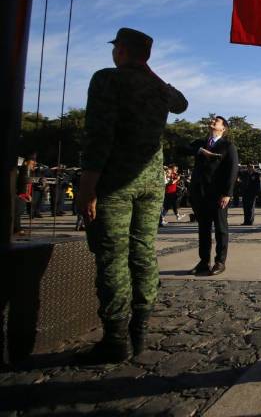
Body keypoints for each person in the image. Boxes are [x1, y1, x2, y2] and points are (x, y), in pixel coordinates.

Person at [75, 27, 188, 364]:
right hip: (150, 182)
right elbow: (181, 103)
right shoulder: (159, 88)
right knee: (141, 253)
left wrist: (87, 186)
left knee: (112, 257)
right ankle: (139, 329)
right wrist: (149, 72)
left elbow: (99, 135)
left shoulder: (107, 80)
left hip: (115, 182)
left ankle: (115, 338)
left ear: (120, 50)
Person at [188, 116, 239, 276]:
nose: (212, 122)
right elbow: (181, 147)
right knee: (203, 229)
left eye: (216, 121)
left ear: (223, 128)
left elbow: (232, 171)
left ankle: (220, 261)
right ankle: (204, 261)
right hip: (200, 193)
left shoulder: (228, 146)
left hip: (218, 195)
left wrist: (227, 193)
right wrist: (199, 151)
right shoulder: (200, 143)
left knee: (220, 229)